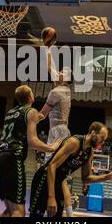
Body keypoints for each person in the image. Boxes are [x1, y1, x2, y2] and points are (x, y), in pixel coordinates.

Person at [0, 85, 59, 217]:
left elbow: (25, 122)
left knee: (10, 210)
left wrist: (40, 116)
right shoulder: (31, 111)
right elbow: (32, 142)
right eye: (32, 93)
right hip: (12, 157)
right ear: (30, 97)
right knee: (18, 211)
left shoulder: (11, 112)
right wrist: (51, 148)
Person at [29, 122, 112, 217]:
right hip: (44, 179)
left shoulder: (89, 153)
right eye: (101, 138)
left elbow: (86, 179)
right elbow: (52, 165)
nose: (102, 142)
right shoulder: (74, 142)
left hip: (58, 182)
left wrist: (108, 176)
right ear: (93, 132)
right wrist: (51, 197)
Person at [38, 67, 74, 216]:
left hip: (56, 133)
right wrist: (48, 50)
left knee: (50, 171)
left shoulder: (55, 92)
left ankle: (49, 207)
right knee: (61, 178)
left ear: (65, 79)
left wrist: (30, 118)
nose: (57, 73)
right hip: (65, 131)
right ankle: (70, 214)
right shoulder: (66, 90)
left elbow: (43, 114)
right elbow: (51, 68)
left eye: (61, 73)